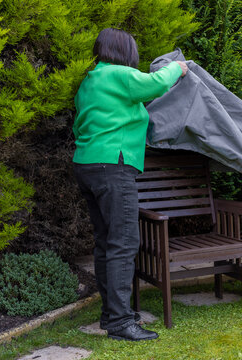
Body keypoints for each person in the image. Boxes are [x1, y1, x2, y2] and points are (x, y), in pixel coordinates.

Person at [72, 28, 188, 340]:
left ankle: (112, 315)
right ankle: (122, 323)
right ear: (125, 52)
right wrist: (177, 67)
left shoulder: (90, 81)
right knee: (123, 243)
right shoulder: (120, 75)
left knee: (105, 242)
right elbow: (155, 84)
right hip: (113, 165)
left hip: (87, 164)